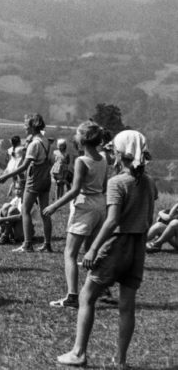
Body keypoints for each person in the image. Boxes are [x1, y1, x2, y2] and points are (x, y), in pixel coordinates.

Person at [57, 130, 157, 369]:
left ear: (120, 154)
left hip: (116, 245)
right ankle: (121, 360)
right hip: (137, 247)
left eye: (114, 150)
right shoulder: (149, 182)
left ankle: (79, 352)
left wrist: (92, 249)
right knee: (127, 305)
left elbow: (112, 221)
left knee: (87, 296)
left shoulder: (117, 182)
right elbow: (149, 218)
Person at [43, 122, 107, 308]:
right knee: (91, 252)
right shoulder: (102, 159)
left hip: (85, 205)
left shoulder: (81, 161)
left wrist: (54, 206)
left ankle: (72, 296)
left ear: (83, 140)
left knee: (70, 253)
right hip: (99, 205)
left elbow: (75, 190)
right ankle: (100, 290)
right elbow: (103, 185)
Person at [0, 113, 53, 253]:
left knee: (26, 210)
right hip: (46, 179)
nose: (24, 127)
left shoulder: (34, 144)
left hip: (35, 179)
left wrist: (6, 176)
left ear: (32, 127)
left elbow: (24, 166)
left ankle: (27, 244)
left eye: (26, 125)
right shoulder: (45, 140)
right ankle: (47, 244)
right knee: (45, 212)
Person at [0, 181, 25, 245]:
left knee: (12, 210)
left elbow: (20, 216)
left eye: (20, 189)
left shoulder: (28, 201)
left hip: (23, 232)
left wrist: (2, 219)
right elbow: (3, 209)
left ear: (25, 190)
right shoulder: (17, 198)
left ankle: (5, 236)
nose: (17, 191)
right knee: (6, 205)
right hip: (14, 228)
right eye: (16, 188)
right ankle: (0, 235)